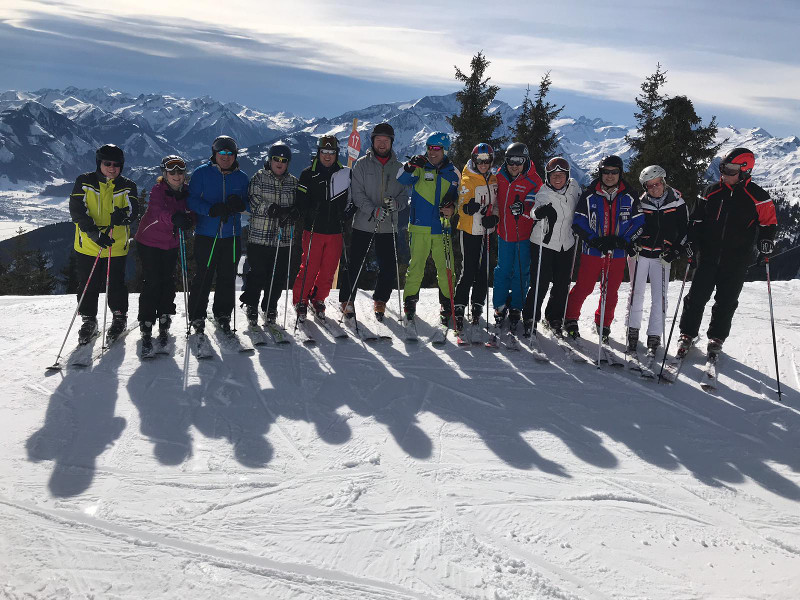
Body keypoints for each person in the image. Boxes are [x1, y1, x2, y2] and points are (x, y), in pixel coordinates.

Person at [677, 147, 777, 358]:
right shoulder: (710, 192)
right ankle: (687, 334)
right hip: (708, 256)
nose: (724, 173)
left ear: (745, 171)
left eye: (730, 169)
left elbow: (768, 223)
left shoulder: (758, 196)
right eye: (722, 168)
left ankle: (716, 338)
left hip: (737, 260)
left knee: (726, 301)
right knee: (696, 297)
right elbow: (696, 221)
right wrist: (691, 242)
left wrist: (766, 241)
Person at [565, 155, 644, 342]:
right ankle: (570, 318)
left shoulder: (630, 195)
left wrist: (624, 241)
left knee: (611, 290)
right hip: (593, 250)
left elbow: (639, 223)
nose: (609, 176)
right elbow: (578, 221)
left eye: (614, 172)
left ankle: (604, 323)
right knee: (584, 286)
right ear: (600, 173)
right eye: (606, 172)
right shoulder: (590, 194)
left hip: (617, 252)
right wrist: (594, 240)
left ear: (620, 173)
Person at [69, 143, 139, 344]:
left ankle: (119, 317)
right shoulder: (84, 181)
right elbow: (77, 211)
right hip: (88, 245)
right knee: (88, 284)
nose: (112, 167)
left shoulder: (127, 185)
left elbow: (134, 210)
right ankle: (89, 320)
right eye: (107, 163)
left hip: (115, 246)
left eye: (117, 164)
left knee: (115, 284)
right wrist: (94, 233)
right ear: (99, 163)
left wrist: (123, 217)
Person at [338, 122, 408, 321]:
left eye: (386, 140)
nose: (382, 144)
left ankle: (380, 299)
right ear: (373, 141)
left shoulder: (399, 168)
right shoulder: (361, 164)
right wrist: (373, 210)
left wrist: (396, 204)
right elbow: (357, 195)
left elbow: (404, 196)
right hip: (364, 222)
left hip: (388, 225)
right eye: (379, 140)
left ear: (392, 142)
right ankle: (346, 299)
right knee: (355, 263)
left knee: (387, 266)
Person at [186, 135, 249, 335]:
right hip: (206, 234)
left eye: (230, 153)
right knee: (203, 276)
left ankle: (223, 314)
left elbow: (249, 203)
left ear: (235, 156)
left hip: (231, 235)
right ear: (214, 154)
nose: (226, 156)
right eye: (222, 152)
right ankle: (197, 315)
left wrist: (241, 206)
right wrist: (211, 210)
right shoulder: (201, 174)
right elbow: (191, 200)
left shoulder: (241, 177)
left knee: (227, 277)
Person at [397, 131, 460, 324]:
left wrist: (453, 208)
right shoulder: (420, 167)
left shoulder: (453, 172)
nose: (432, 153)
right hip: (419, 227)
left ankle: (448, 304)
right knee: (416, 267)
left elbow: (460, 198)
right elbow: (401, 178)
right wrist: (410, 166)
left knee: (446, 268)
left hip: (442, 227)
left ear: (445, 150)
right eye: (430, 148)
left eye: (437, 149)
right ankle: (410, 302)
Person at [624, 165, 689, 354]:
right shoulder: (640, 202)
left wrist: (675, 252)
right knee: (636, 294)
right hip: (641, 254)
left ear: (664, 182)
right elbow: (630, 225)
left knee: (659, 298)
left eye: (657, 184)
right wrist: (631, 244)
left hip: (662, 257)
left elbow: (685, 231)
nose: (654, 189)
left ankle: (654, 336)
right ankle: (632, 333)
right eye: (649, 186)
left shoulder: (677, 201)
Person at [134, 155, 193, 344]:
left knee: (168, 280)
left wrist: (190, 221)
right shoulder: (158, 190)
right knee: (152, 280)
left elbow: (192, 214)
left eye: (180, 171)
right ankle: (146, 320)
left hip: (170, 243)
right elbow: (156, 212)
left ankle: (165, 314)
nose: (176, 175)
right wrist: (175, 218)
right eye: (172, 172)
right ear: (165, 174)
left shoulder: (186, 191)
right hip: (149, 241)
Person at [240, 142, 299, 326]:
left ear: (288, 163)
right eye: (276, 159)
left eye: (283, 160)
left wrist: (295, 212)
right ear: (270, 160)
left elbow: (299, 203)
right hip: (260, 236)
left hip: (283, 239)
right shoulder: (259, 177)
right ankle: (251, 305)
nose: (279, 163)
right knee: (258, 274)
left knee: (278, 276)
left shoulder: (293, 182)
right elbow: (254, 200)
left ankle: (270, 307)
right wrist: (272, 209)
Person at [292, 135, 350, 320]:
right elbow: (300, 203)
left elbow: (352, 200)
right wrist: (309, 210)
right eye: (324, 152)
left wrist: (346, 214)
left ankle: (318, 299)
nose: (327, 156)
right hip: (314, 229)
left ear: (336, 154)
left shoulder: (345, 174)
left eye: (331, 152)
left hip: (335, 231)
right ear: (318, 153)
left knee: (328, 269)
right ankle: (300, 300)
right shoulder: (308, 174)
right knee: (309, 266)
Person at [522, 157, 580, 337]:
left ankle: (554, 316)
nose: (557, 179)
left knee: (562, 284)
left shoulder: (574, 188)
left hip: (567, 243)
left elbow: (583, 202)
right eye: (554, 175)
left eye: (561, 175)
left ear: (567, 176)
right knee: (541, 282)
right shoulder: (544, 192)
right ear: (548, 176)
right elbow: (534, 210)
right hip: (543, 243)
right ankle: (530, 317)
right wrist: (538, 213)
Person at [493, 142, 543, 329]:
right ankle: (499, 305)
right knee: (503, 270)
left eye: (519, 161)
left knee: (521, 272)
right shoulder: (499, 177)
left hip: (523, 235)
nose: (514, 165)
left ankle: (516, 306)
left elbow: (535, 208)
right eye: (510, 161)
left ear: (526, 160)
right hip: (504, 233)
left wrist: (524, 209)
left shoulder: (534, 181)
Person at [453, 142, 498, 331]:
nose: (483, 164)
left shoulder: (494, 179)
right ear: (474, 160)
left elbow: (497, 202)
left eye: (486, 160)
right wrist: (467, 208)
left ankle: (478, 303)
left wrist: (494, 217)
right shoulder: (467, 179)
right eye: (479, 160)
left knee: (484, 270)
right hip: (470, 230)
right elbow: (462, 203)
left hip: (487, 231)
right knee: (469, 269)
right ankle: (460, 304)